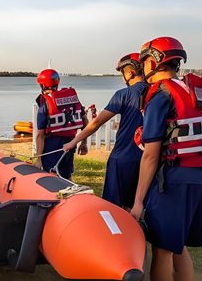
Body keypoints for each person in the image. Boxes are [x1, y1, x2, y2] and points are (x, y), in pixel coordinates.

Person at [130, 37, 202, 281]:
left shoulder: (161, 94)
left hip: (173, 181)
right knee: (179, 247)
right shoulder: (198, 92)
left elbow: (150, 155)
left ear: (152, 61)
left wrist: (137, 203)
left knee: (161, 255)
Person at [63, 54, 148, 209]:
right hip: (147, 159)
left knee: (113, 206)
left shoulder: (124, 94)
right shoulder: (157, 92)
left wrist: (73, 142)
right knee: (132, 205)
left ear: (129, 73)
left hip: (122, 158)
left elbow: (96, 122)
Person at [33, 69, 88, 178]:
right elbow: (85, 122)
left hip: (52, 146)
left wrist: (38, 159)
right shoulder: (71, 99)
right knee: (66, 175)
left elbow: (40, 134)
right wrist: (84, 142)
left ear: (43, 85)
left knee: (51, 176)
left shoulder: (45, 103)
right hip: (70, 144)